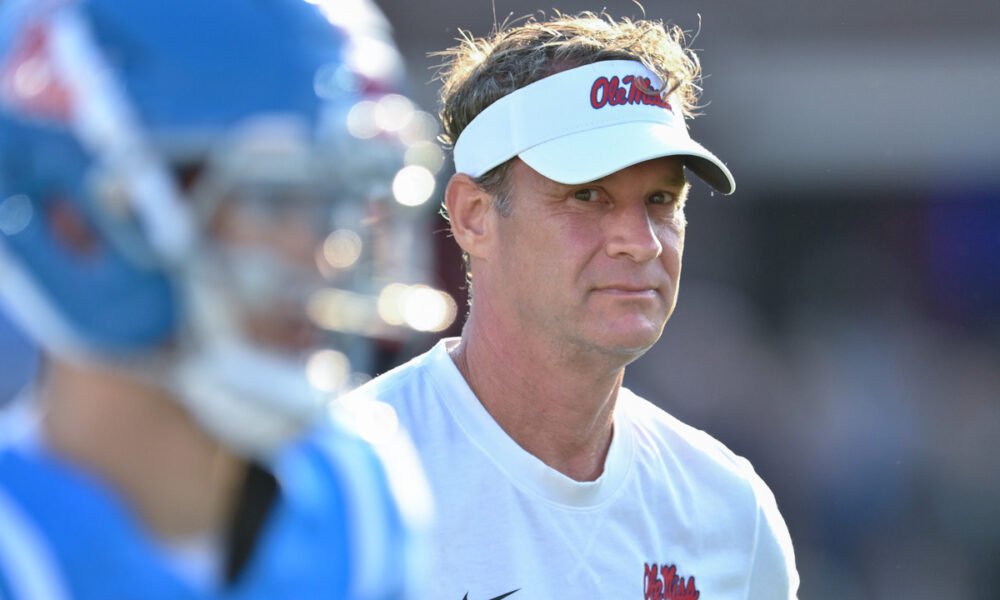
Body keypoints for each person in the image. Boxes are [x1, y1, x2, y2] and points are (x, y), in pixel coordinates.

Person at [350, 11, 799, 599]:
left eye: (662, 200)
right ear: (473, 216)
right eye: (587, 195)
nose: (640, 242)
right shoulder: (344, 484)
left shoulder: (730, 510)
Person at [0, 0, 431, 597]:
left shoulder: (355, 498)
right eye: (271, 200)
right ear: (77, 223)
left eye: (334, 204)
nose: (322, 256)